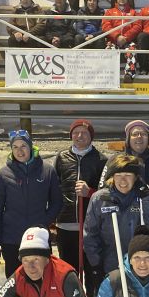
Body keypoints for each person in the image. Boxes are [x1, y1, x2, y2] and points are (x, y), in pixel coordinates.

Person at [0, 129, 63, 279]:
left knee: (40, 278)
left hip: (38, 238)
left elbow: (57, 202)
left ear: (30, 146)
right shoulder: (4, 174)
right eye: (15, 147)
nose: (19, 151)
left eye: (23, 146)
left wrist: (43, 222)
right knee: (15, 281)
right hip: (11, 239)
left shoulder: (47, 171)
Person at [84, 154, 149, 276]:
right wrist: (96, 264)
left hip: (142, 267)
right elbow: (90, 234)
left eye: (128, 175)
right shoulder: (100, 198)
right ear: (112, 177)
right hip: (110, 265)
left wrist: (146, 199)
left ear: (136, 177)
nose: (123, 180)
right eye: (118, 176)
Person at [53, 119, 108, 279]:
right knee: (68, 272)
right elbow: (54, 187)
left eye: (84, 132)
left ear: (91, 136)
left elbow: (107, 193)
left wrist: (90, 192)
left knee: (92, 270)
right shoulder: (62, 157)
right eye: (76, 132)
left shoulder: (101, 159)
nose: (79, 136)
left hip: (90, 224)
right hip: (66, 223)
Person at [99, 120, 149, 205]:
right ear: (128, 139)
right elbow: (102, 189)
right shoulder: (114, 161)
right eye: (134, 134)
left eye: (143, 134)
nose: (139, 137)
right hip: (119, 212)